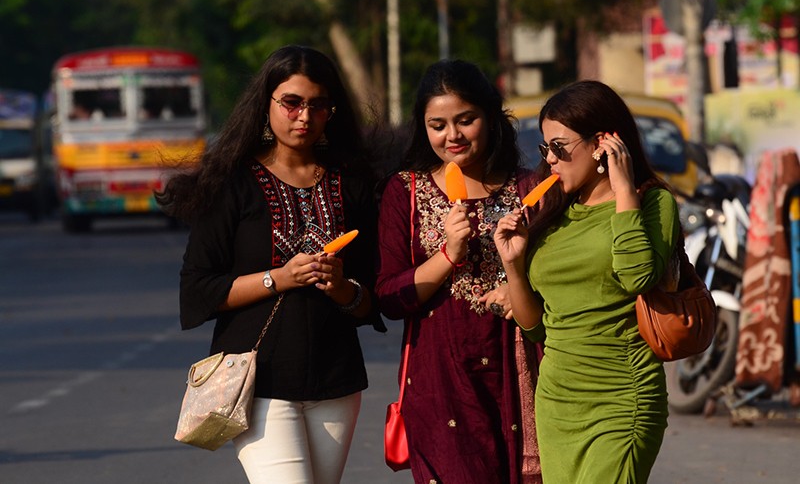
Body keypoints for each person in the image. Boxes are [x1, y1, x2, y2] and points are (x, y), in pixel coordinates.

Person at [157, 45, 384, 484]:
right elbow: (198, 288)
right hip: (259, 383)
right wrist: (280, 278)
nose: (304, 116)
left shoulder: (353, 184)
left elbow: (370, 302)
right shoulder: (231, 183)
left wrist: (340, 287)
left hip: (336, 382)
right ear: (267, 104)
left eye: (318, 105)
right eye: (292, 102)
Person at [493, 80, 678, 483]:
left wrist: (624, 189)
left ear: (603, 143)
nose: (551, 160)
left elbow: (637, 277)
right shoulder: (554, 212)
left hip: (621, 399)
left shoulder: (653, 204)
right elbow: (536, 325)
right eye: (545, 149)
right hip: (558, 402)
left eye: (560, 147)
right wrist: (514, 264)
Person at [375, 59, 544, 484]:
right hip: (441, 381)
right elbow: (390, 297)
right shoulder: (406, 192)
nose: (452, 135)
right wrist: (448, 254)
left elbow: (560, 273)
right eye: (438, 125)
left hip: (518, 367)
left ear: (489, 117)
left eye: (465, 120)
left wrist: (518, 284)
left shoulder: (529, 188)